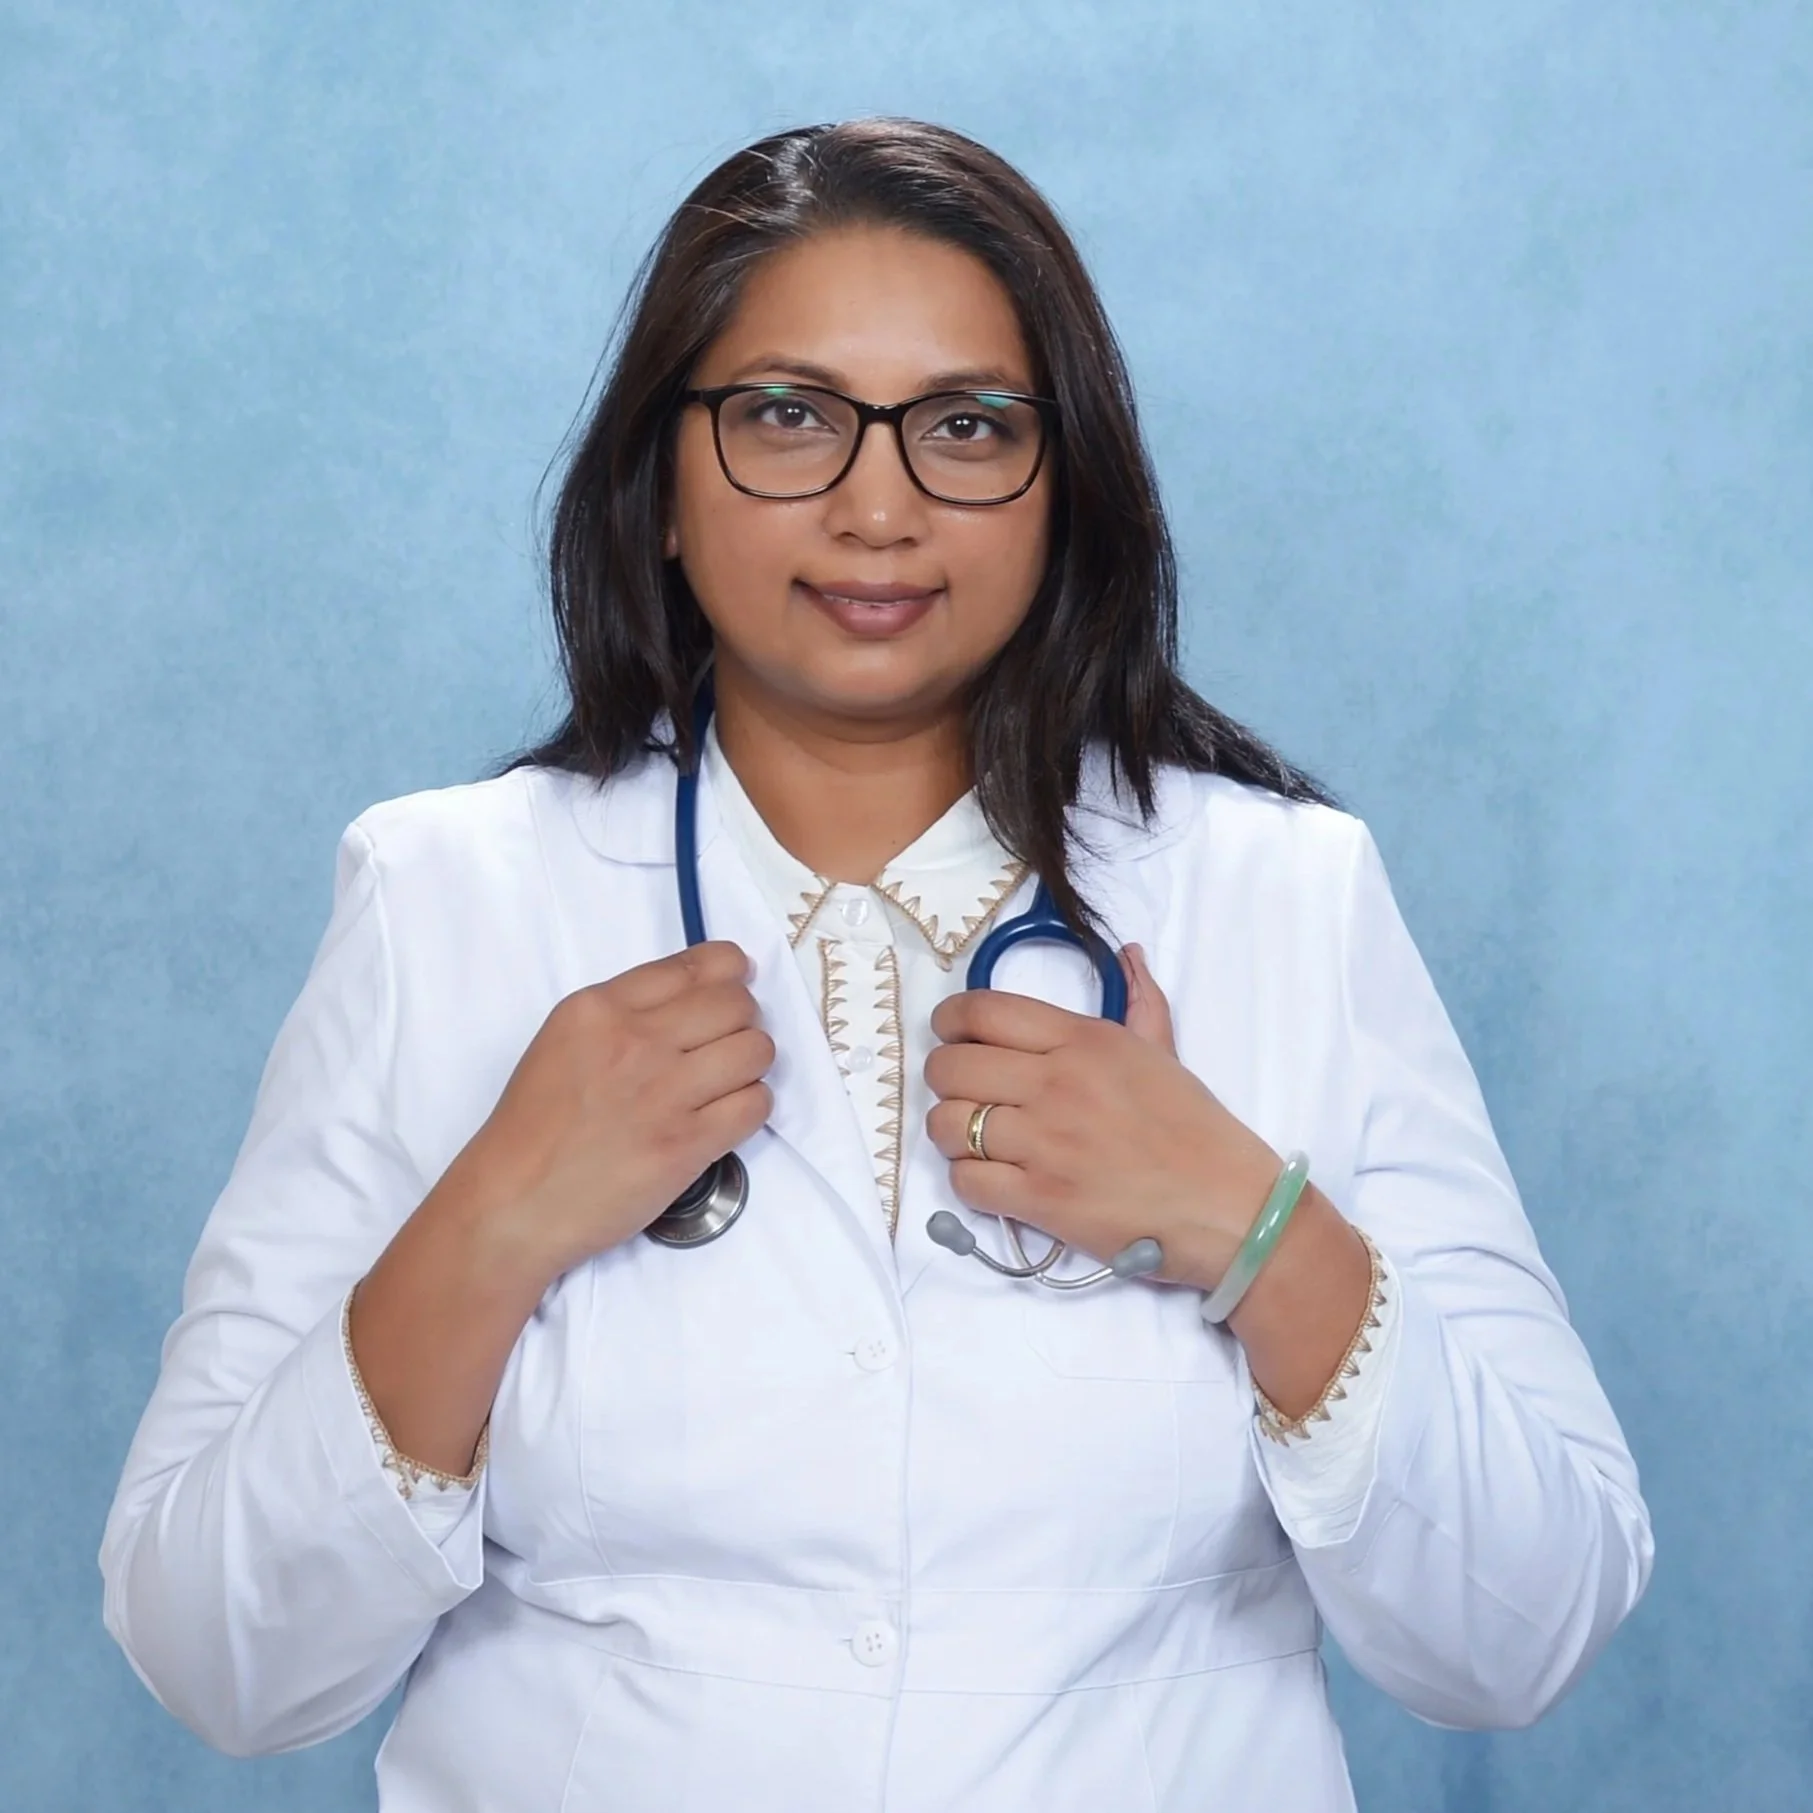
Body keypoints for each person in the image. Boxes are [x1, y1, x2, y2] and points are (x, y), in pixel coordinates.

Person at [100, 117, 1653, 1812]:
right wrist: (496, 1218)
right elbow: (218, 1661)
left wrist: (1246, 1220)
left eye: (967, 427)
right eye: (788, 415)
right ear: (661, 488)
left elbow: (1526, 1633)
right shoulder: (445, 898)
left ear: (1069, 493)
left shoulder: (1284, 895)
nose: (877, 504)